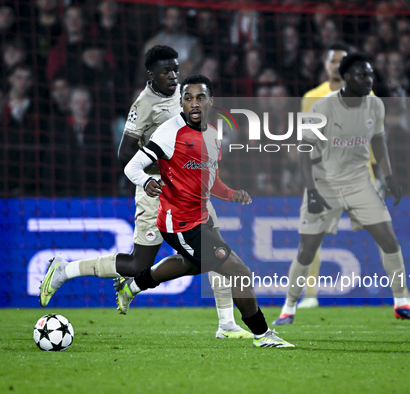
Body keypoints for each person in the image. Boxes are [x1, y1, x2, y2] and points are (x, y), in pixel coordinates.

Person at [40, 46, 251, 339]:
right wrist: (146, 181)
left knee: (215, 248)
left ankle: (226, 324)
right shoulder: (144, 104)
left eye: (176, 69)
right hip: (158, 194)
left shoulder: (182, 97)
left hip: (190, 191)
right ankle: (66, 270)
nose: (174, 76)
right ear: (151, 74)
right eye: (166, 71)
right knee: (138, 263)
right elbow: (125, 152)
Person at [117, 74, 294, 348]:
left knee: (191, 264)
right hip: (179, 223)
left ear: (211, 101)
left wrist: (232, 194)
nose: (194, 103)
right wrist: (148, 181)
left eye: (200, 98)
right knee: (239, 272)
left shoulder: (212, 135)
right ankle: (262, 334)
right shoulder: (168, 133)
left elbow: (211, 181)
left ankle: (134, 286)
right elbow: (131, 167)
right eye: (187, 98)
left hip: (200, 217)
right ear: (181, 102)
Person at [274, 53, 410, 325]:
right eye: (362, 75)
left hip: (360, 182)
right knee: (307, 249)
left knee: (389, 239)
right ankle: (288, 307)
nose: (369, 79)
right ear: (346, 78)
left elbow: (379, 141)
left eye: (370, 74)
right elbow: (303, 150)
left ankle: (401, 302)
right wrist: (310, 190)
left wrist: (389, 176)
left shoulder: (376, 105)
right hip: (324, 183)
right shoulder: (322, 107)